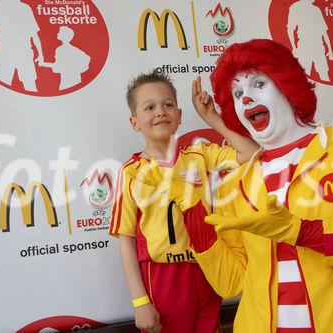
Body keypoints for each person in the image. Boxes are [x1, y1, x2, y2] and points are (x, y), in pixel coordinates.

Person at [188, 39, 333, 332]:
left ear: (287, 85)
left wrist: (303, 231)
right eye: (237, 93)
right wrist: (201, 237)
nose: (246, 98)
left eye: (258, 84)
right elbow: (232, 282)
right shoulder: (238, 182)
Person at [109, 71, 259, 333]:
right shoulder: (131, 172)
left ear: (179, 115)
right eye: (150, 107)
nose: (160, 112)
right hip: (164, 277)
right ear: (135, 122)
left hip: (207, 268)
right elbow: (126, 238)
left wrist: (211, 118)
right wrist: (140, 301)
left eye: (167, 105)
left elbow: (252, 153)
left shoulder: (200, 156)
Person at [39, 26, 91, 90]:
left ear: (64, 36)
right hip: (74, 79)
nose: (57, 33)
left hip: (68, 80)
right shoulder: (73, 49)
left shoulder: (60, 50)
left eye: (59, 32)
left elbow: (59, 66)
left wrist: (44, 64)